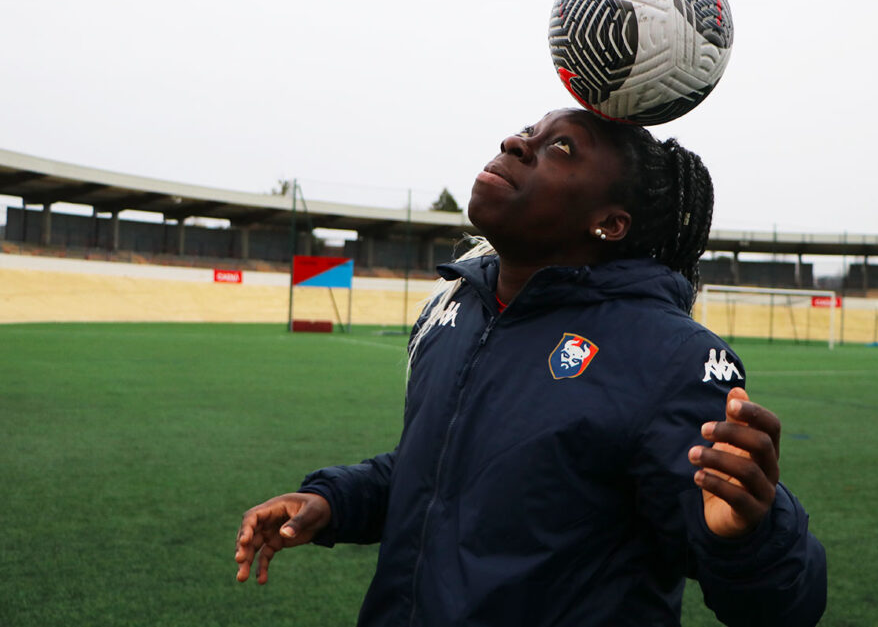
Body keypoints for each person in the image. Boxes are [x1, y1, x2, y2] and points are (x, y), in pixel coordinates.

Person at [234, 108, 828, 626]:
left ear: (610, 222)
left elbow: (786, 607)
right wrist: (336, 501)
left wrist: (752, 535)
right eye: (526, 132)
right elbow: (447, 471)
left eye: (560, 147)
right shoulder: (457, 309)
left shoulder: (671, 358)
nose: (517, 144)